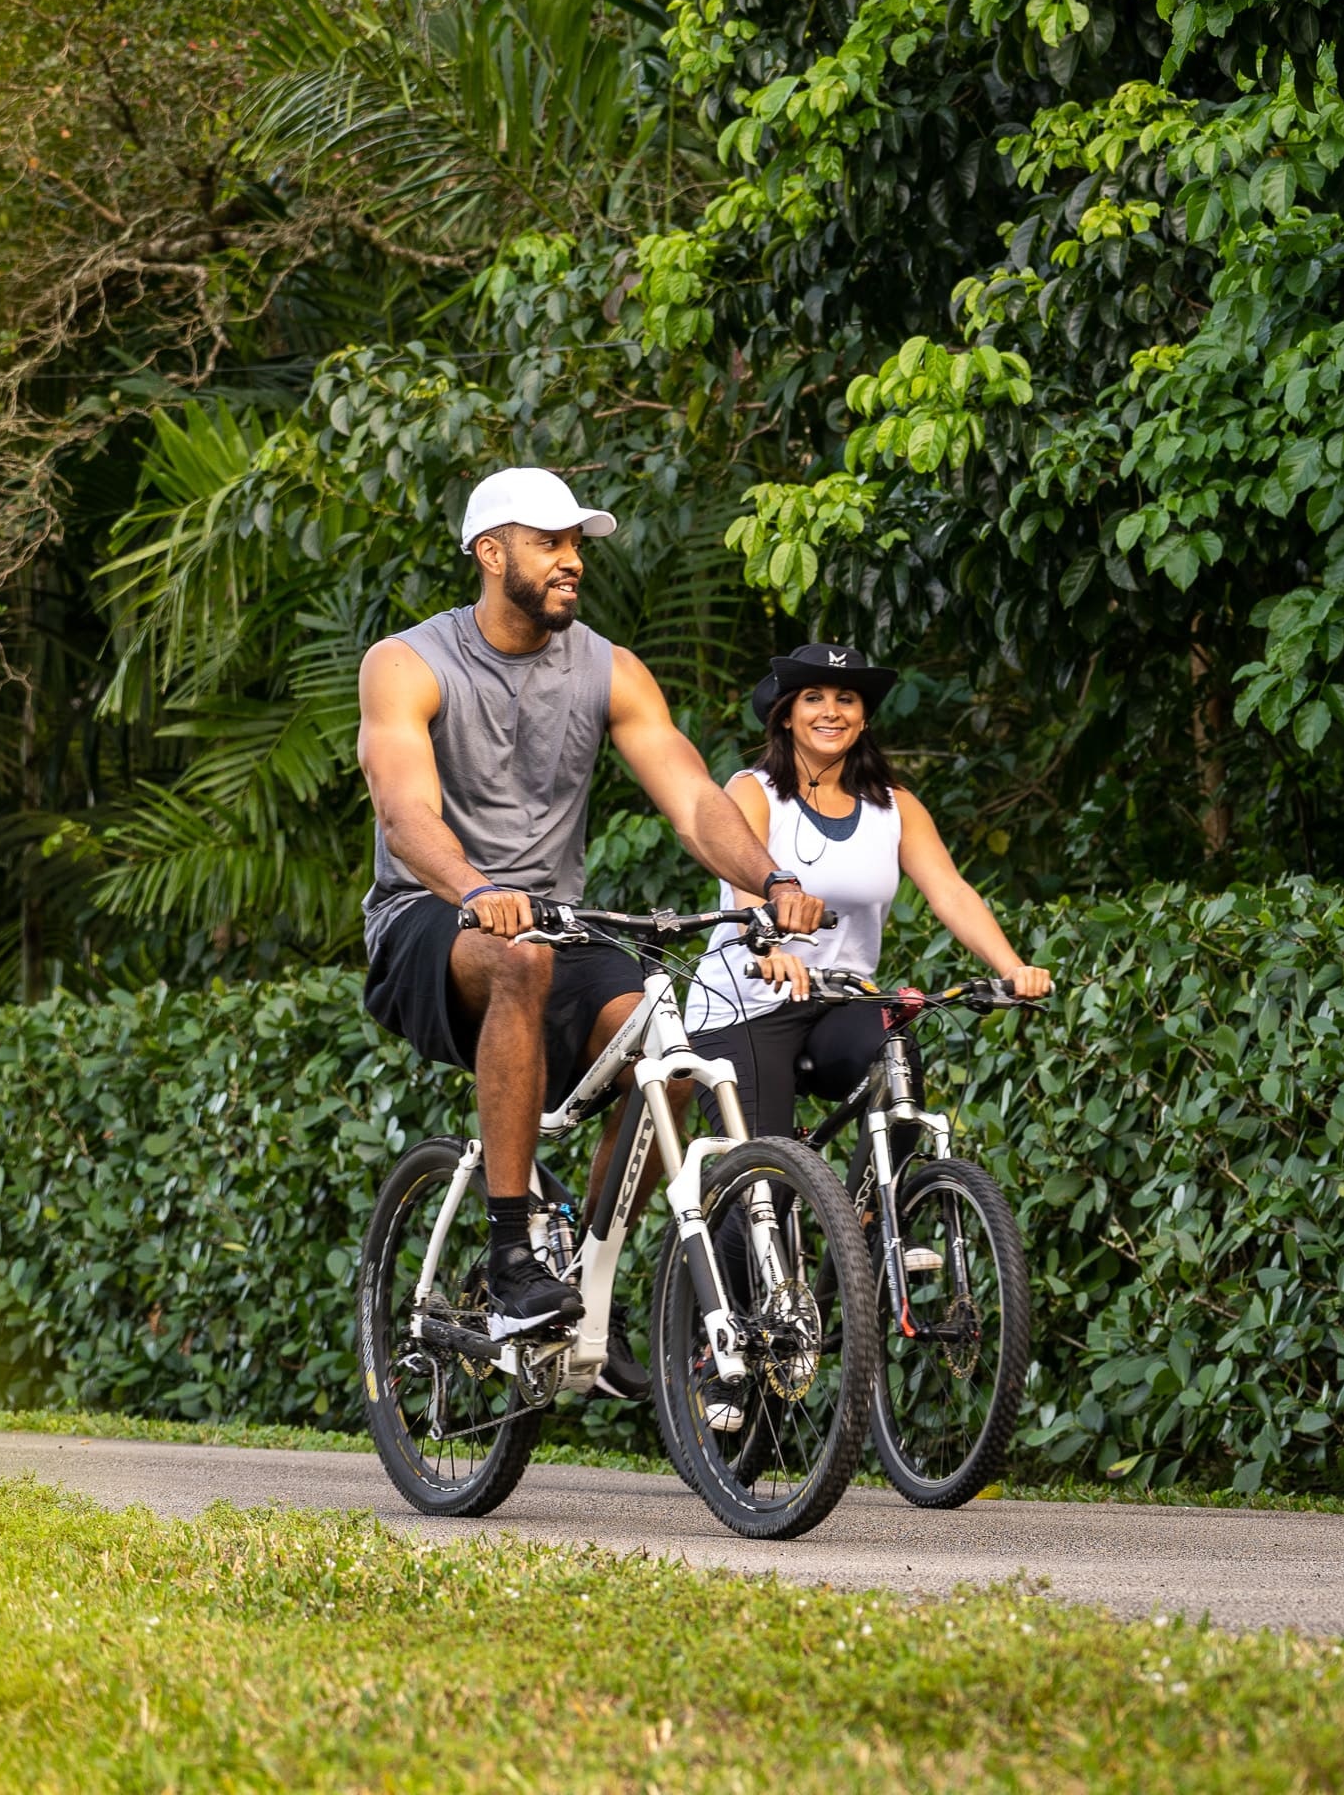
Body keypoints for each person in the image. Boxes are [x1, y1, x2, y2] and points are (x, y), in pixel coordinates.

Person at [357, 468, 827, 1343]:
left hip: (551, 924)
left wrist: (775, 882)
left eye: (577, 544)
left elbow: (693, 800)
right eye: (549, 543)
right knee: (520, 958)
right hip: (428, 917)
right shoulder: (408, 662)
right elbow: (404, 812)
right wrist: (478, 889)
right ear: (490, 553)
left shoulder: (610, 669)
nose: (572, 560)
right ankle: (510, 1257)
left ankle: (586, 1279)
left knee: (668, 1051)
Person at [685, 644, 1054, 1149]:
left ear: (863, 720)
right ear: (787, 715)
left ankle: (880, 1198)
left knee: (895, 1053)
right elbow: (746, 882)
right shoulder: (754, 790)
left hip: (838, 1002)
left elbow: (950, 891)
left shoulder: (895, 806)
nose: (831, 711)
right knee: (766, 1174)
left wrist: (1012, 969)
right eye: (813, 698)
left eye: (846, 699)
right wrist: (768, 950)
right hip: (744, 1006)